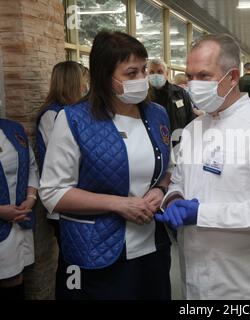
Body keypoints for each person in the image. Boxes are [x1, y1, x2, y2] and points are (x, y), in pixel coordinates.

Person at [155, 34, 250, 300]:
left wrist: (202, 214)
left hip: (241, 281)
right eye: (189, 76)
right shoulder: (193, 129)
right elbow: (178, 179)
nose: (193, 85)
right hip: (194, 273)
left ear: (232, 77)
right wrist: (173, 199)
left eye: (204, 76)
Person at [39, 31, 172, 300]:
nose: (142, 79)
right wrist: (119, 204)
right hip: (96, 250)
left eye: (144, 70)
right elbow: (53, 192)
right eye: (131, 73)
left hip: (152, 246)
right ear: (105, 76)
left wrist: (160, 190)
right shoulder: (74, 119)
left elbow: (168, 169)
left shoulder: (157, 114)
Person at [36, 61, 88, 229]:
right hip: (63, 201)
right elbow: (62, 157)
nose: (85, 87)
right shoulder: (53, 114)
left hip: (80, 198)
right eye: (83, 81)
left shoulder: (75, 112)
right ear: (73, 82)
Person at [0, 118, 39, 299]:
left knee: (16, 278)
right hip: (3, 223)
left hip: (20, 222)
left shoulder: (13, 128)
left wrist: (31, 198)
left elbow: (31, 165)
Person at [148, 59, 194, 135]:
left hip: (179, 141)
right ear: (147, 74)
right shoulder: (144, 97)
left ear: (167, 73)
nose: (156, 75)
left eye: (160, 72)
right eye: (152, 72)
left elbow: (190, 119)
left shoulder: (180, 93)